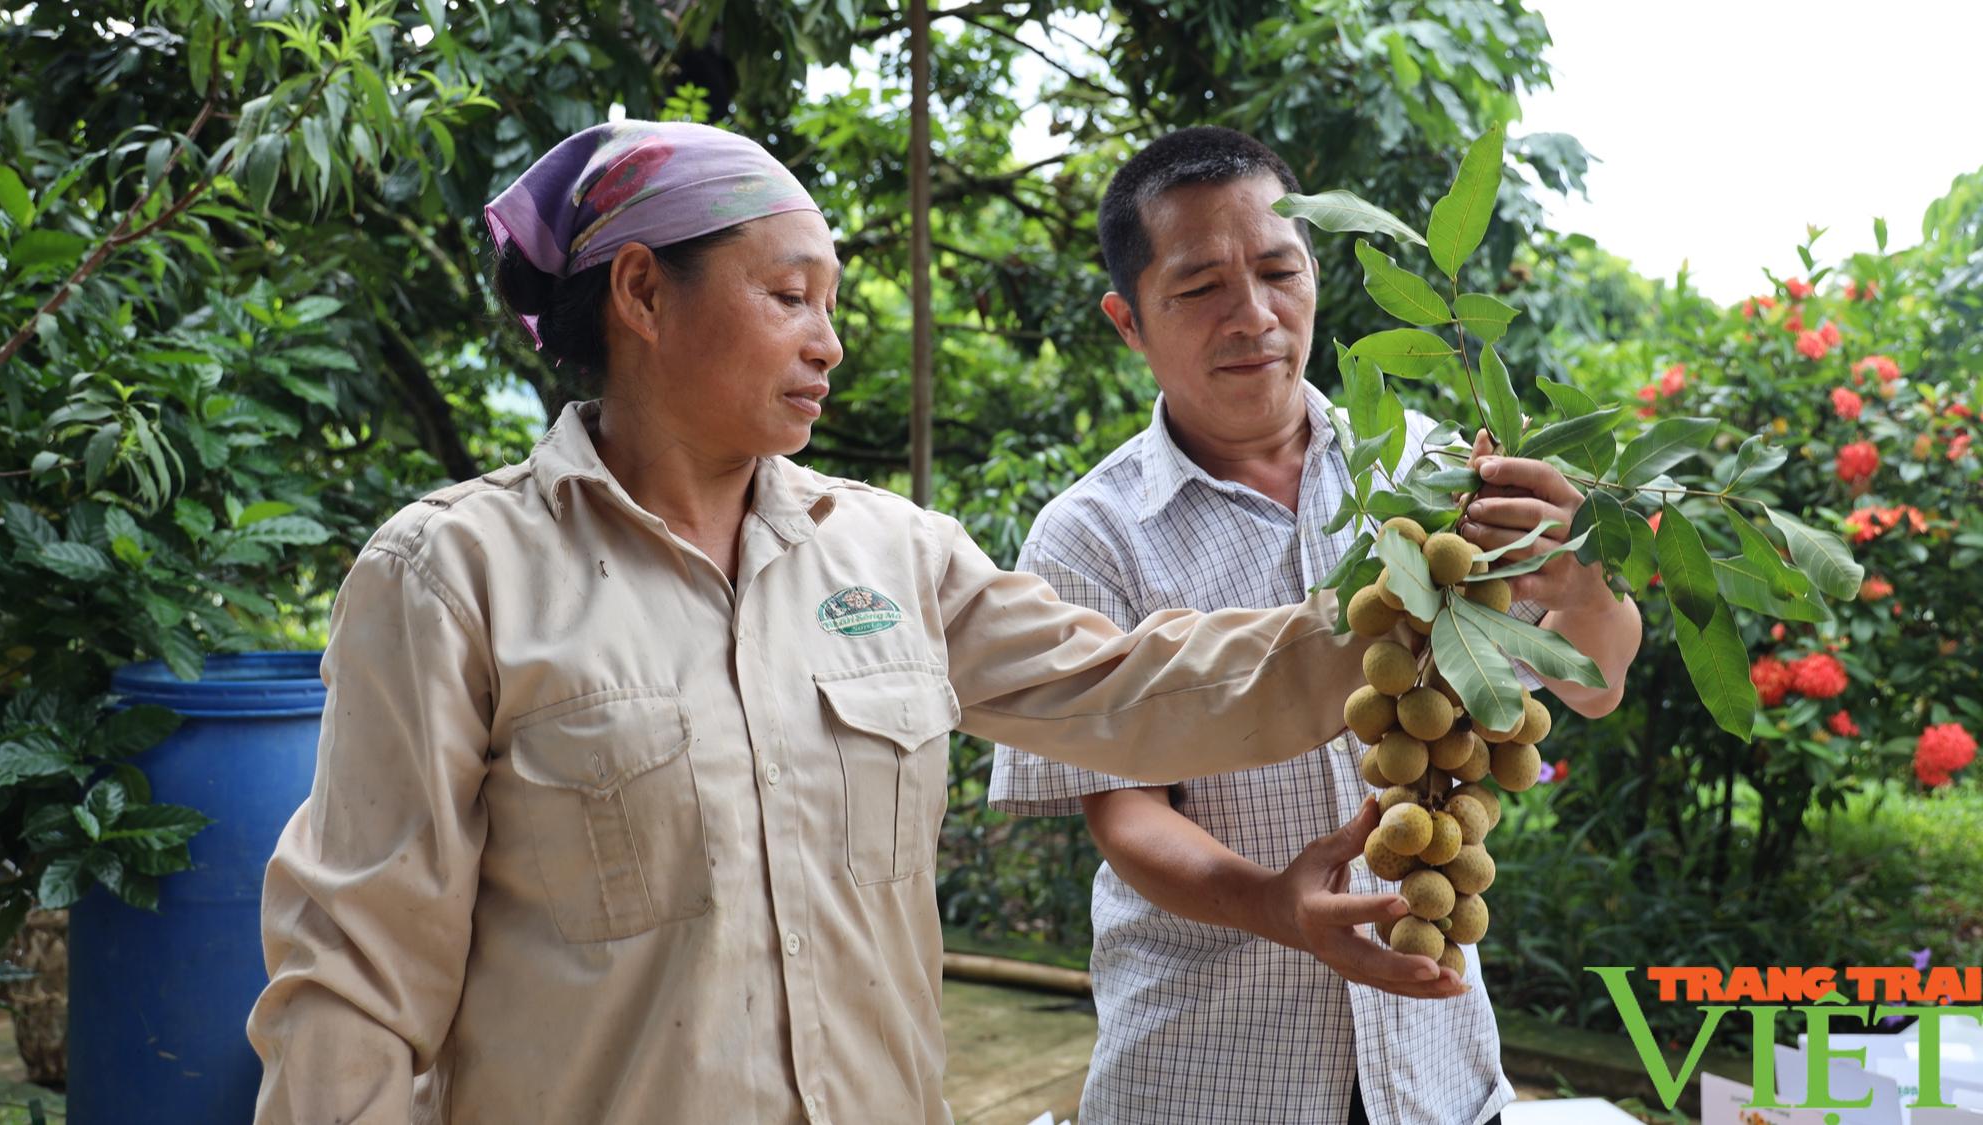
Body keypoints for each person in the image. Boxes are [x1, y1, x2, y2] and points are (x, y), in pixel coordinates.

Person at [245, 121, 1421, 1125]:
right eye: (788, 296)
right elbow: (354, 979)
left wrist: (1423, 604)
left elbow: (1129, 690)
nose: (828, 341)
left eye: (832, 303)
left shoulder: (892, 556)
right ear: (643, 292)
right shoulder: (454, 576)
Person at [988, 126, 1644, 1125]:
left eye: (1276, 271)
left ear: (1314, 272)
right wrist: (1271, 905)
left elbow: (1591, 686)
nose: (1252, 317)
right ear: (1128, 320)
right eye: (1199, 287)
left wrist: (1578, 578)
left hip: (1434, 1071)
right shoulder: (1088, 537)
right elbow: (1121, 812)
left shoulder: (1426, 476)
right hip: (1206, 1071)